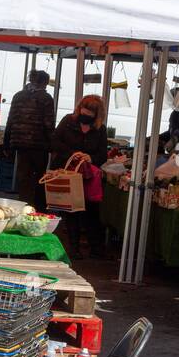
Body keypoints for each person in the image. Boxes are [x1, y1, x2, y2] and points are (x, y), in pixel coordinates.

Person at [50, 93, 109, 259]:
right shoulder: (68, 121)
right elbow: (54, 141)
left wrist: (91, 158)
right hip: (67, 173)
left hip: (88, 177)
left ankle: (95, 249)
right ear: (79, 108)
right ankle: (73, 249)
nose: (86, 114)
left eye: (90, 113)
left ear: (97, 115)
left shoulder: (100, 129)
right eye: (84, 110)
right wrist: (71, 153)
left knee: (91, 211)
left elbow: (103, 155)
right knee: (71, 212)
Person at [4, 69, 55, 208]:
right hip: (39, 145)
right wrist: (53, 145)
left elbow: (10, 120)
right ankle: (37, 208)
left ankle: (23, 205)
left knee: (24, 178)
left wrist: (7, 143)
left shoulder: (18, 96)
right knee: (39, 177)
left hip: (20, 144)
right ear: (44, 83)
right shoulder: (46, 99)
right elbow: (48, 124)